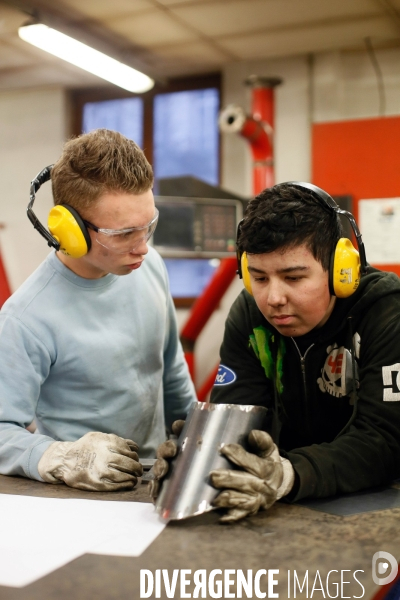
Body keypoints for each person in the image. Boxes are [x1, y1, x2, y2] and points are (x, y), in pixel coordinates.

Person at [152, 182, 400, 523]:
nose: (273, 298)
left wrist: (288, 474)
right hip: (290, 501)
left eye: (293, 277)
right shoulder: (251, 316)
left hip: (380, 505)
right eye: (259, 277)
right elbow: (236, 417)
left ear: (342, 270)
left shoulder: (386, 312)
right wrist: (195, 460)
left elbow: (384, 442)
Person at [0, 129, 196, 492]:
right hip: (80, 495)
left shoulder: (150, 265)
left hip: (153, 479)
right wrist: (60, 458)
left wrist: (197, 441)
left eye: (148, 225)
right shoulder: (26, 318)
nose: (141, 247)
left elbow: (169, 367)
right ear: (70, 230)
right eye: (123, 234)